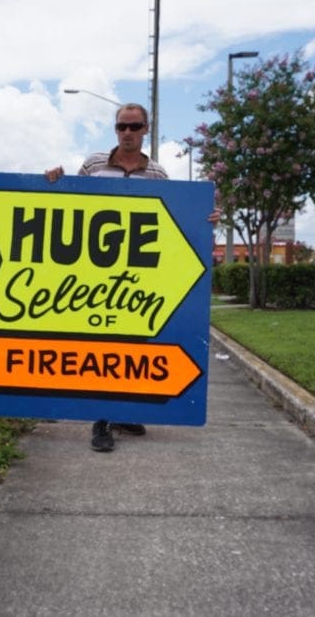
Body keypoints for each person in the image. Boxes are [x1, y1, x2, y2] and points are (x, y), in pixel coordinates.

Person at [46, 102, 219, 452]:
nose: (127, 132)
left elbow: (175, 219)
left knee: (130, 346)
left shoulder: (156, 174)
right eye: (121, 127)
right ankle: (101, 421)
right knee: (101, 345)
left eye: (134, 126)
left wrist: (205, 220)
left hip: (137, 277)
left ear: (146, 129)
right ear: (116, 129)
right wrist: (52, 182)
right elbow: (68, 204)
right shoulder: (94, 165)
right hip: (95, 274)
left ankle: (121, 411)